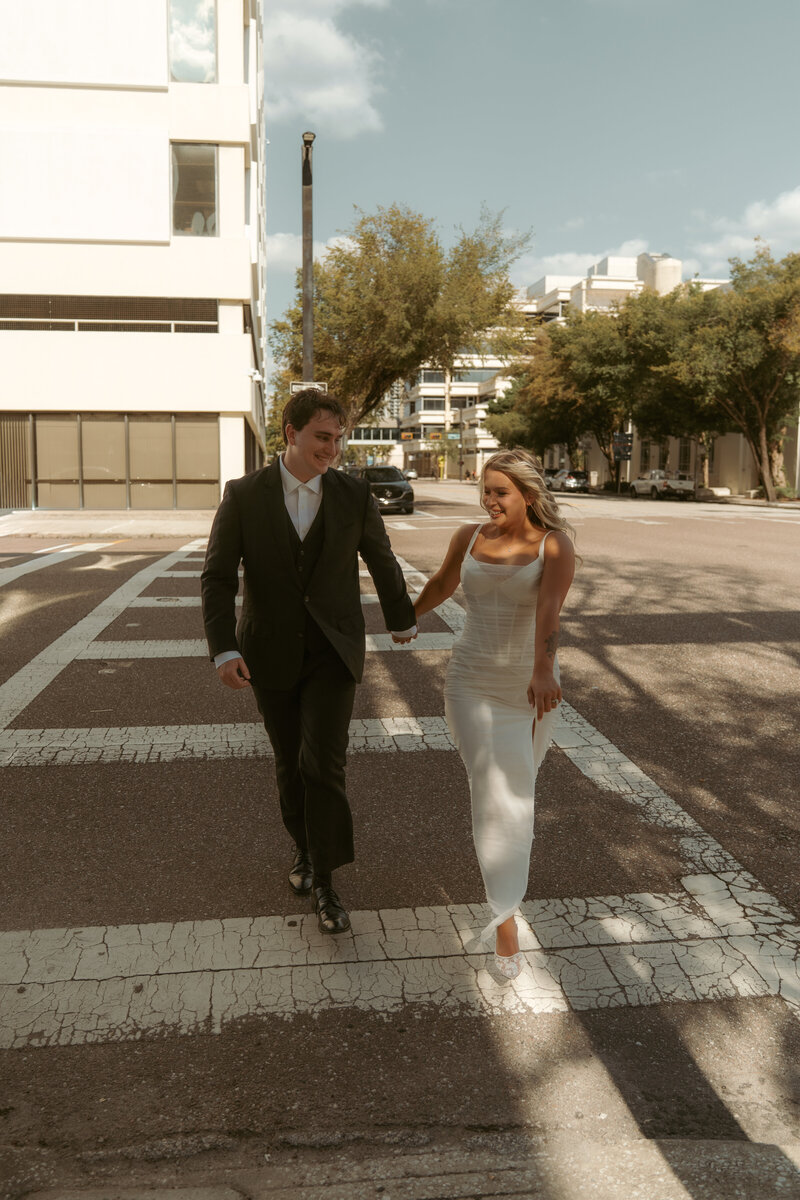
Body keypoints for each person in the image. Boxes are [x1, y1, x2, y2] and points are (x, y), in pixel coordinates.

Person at [201, 389, 416, 935]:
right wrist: (224, 648)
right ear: (291, 433)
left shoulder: (353, 494)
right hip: (268, 650)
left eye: (338, 438)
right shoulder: (245, 495)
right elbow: (219, 577)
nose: (333, 449)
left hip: (332, 651)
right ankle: (302, 850)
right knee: (289, 763)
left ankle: (325, 879)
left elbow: (381, 557)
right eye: (323, 436)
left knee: (323, 763)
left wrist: (401, 616)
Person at [413, 449, 576, 978]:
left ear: (528, 496)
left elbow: (548, 611)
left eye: (500, 491)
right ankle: (506, 921)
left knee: (517, 795)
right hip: (469, 682)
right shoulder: (468, 537)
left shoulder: (554, 545)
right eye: (485, 490)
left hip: (528, 687)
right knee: (497, 795)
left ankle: (505, 901)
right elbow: (441, 585)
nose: (489, 500)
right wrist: (402, 614)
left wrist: (544, 669)